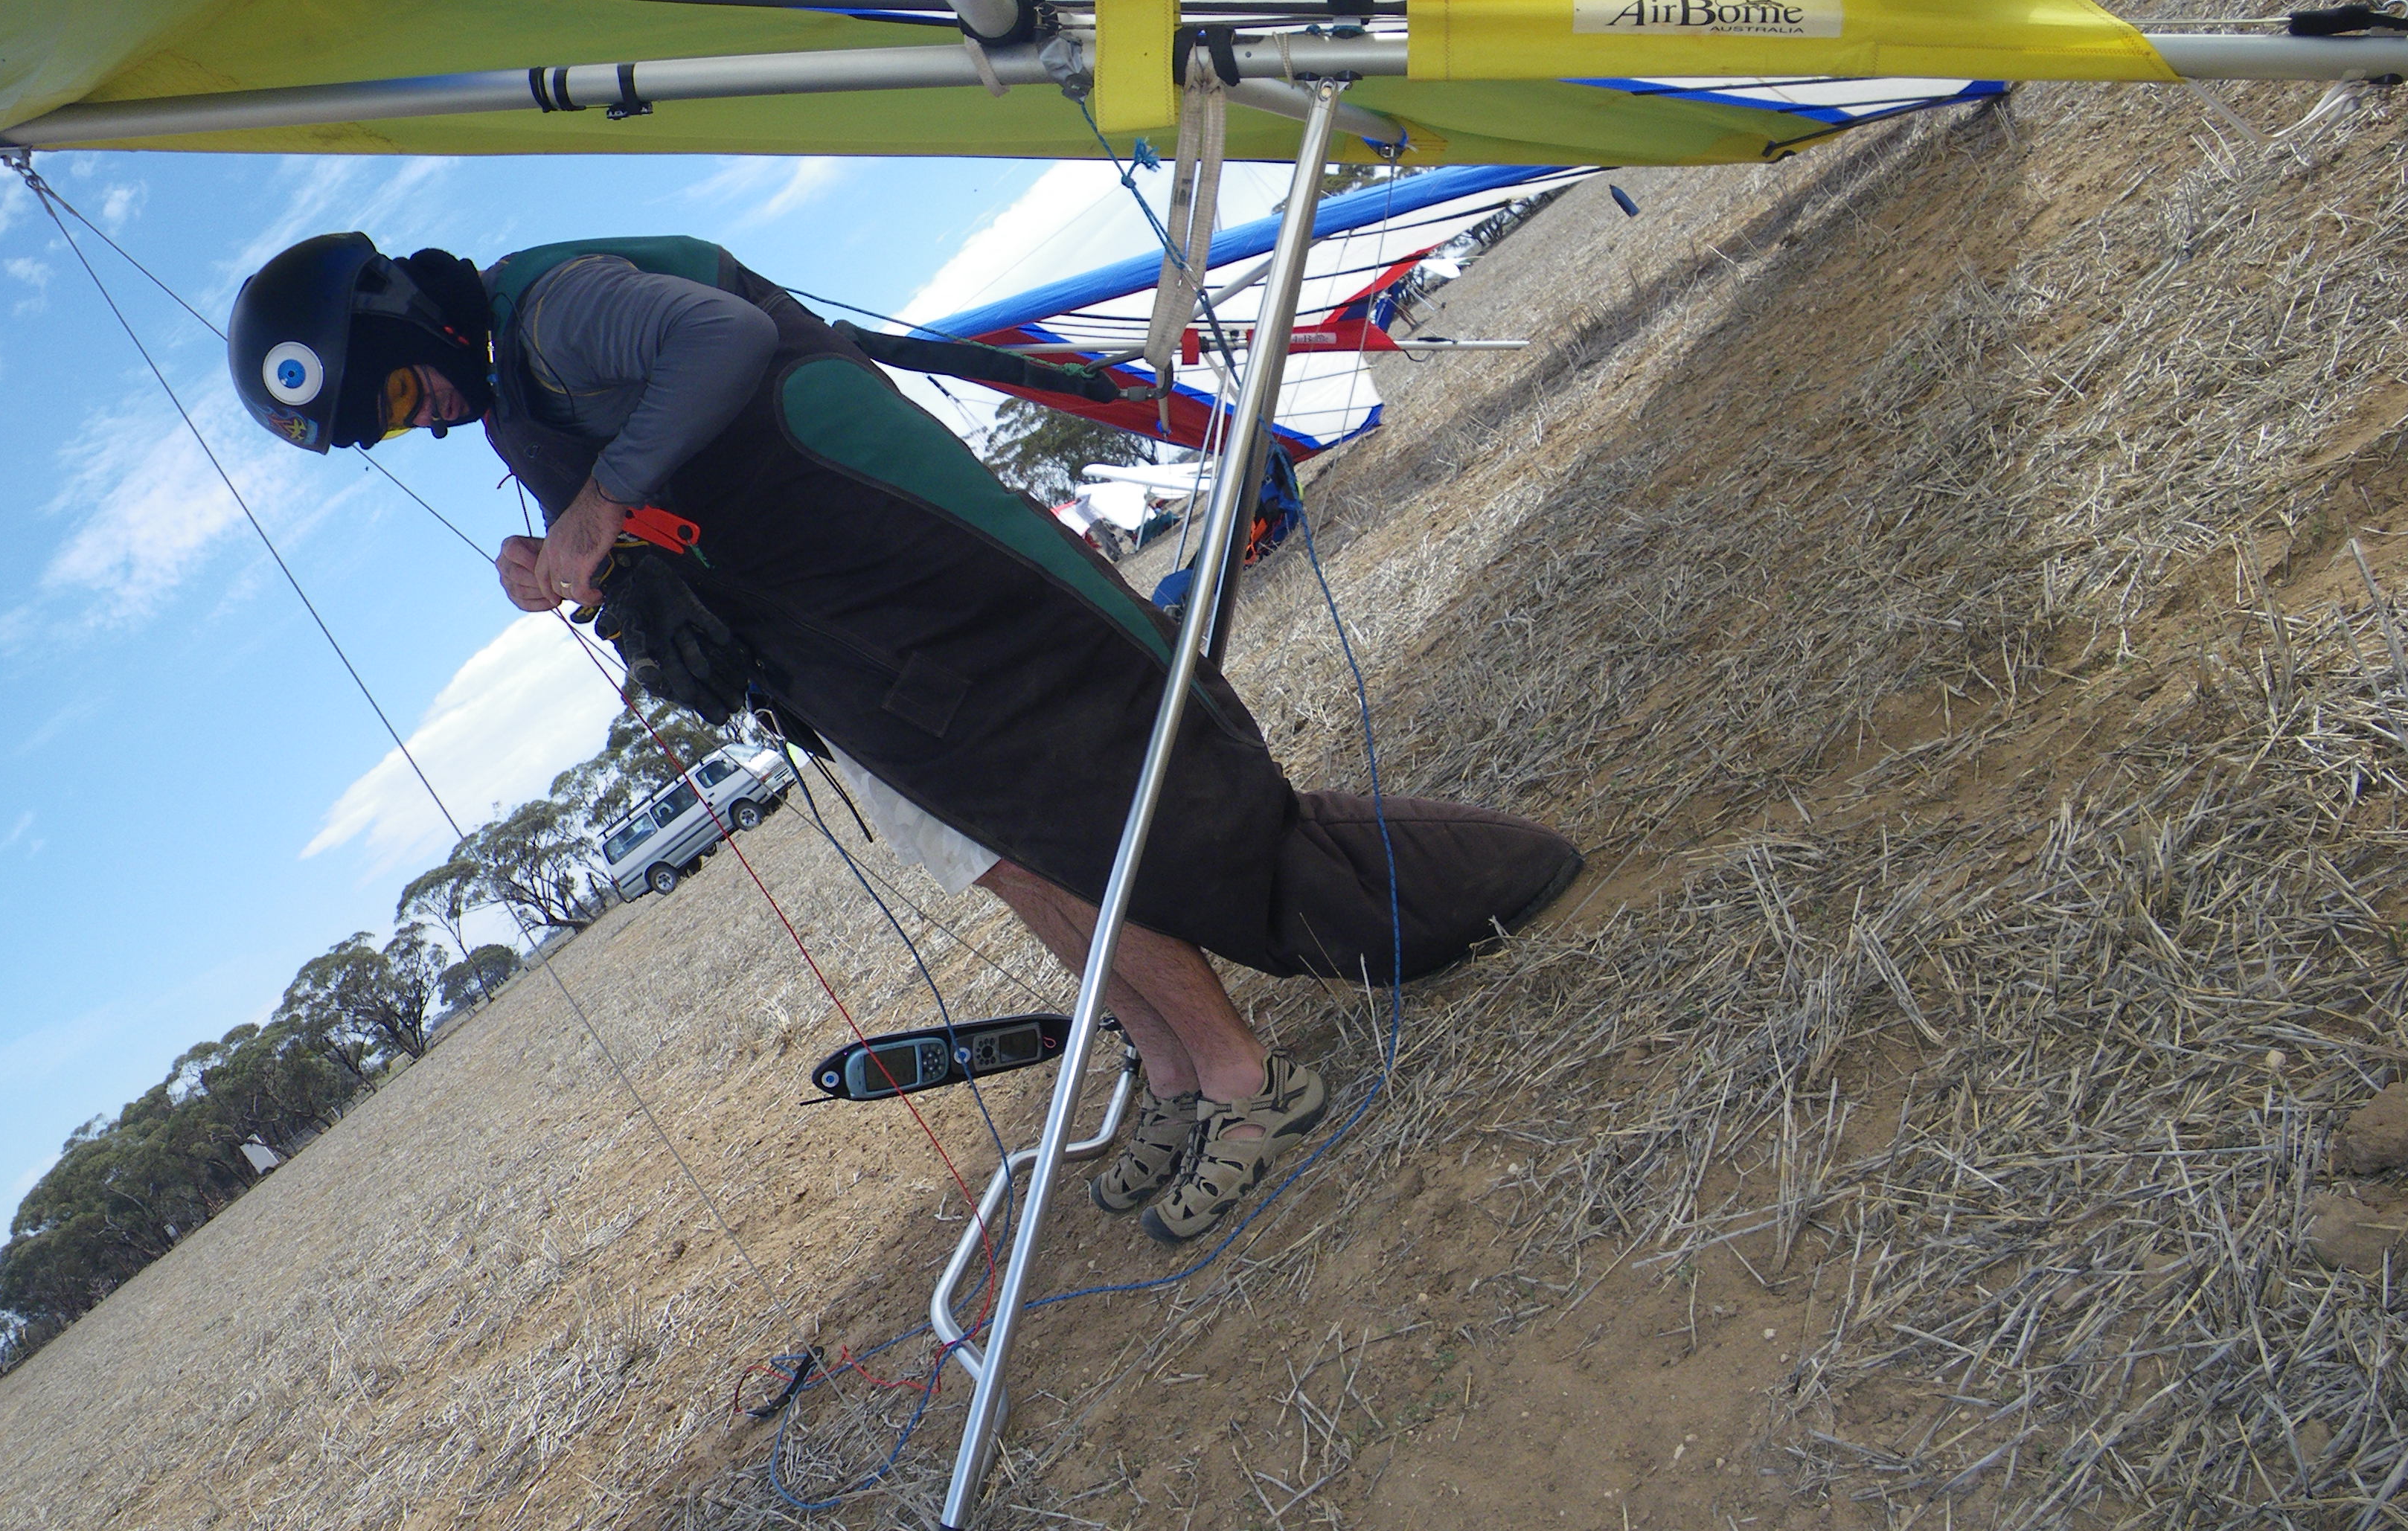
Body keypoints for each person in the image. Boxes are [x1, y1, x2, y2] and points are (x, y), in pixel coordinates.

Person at [228, 232, 1581, 1243]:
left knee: (1074, 829)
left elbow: (719, 342)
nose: (423, 420)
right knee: (1004, 859)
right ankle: (1172, 1067)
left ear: (404, 315)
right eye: (388, 430)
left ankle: (1244, 1076)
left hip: (925, 586)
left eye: (397, 396)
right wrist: (561, 554)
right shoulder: (512, 383)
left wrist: (597, 507)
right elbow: (648, 492)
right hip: (837, 646)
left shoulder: (555, 308)